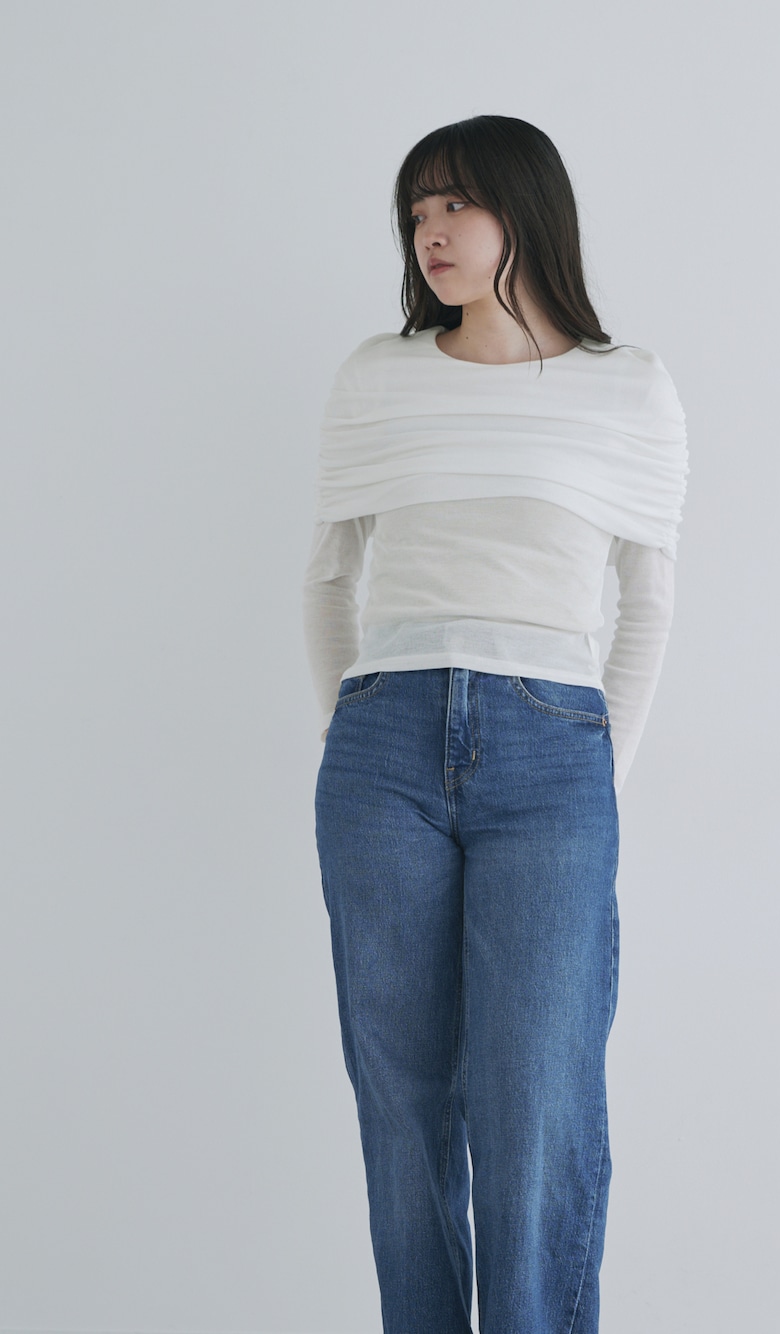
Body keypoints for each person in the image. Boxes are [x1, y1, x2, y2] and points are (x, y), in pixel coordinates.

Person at [303, 114, 689, 1334]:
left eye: (455, 204)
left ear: (525, 209)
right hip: (383, 745)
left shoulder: (626, 387)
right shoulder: (378, 375)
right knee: (403, 1099)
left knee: (537, 1099)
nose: (430, 232)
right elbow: (329, 578)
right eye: (416, 212)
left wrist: (593, 770)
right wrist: (360, 726)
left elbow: (647, 600)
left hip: (552, 751)